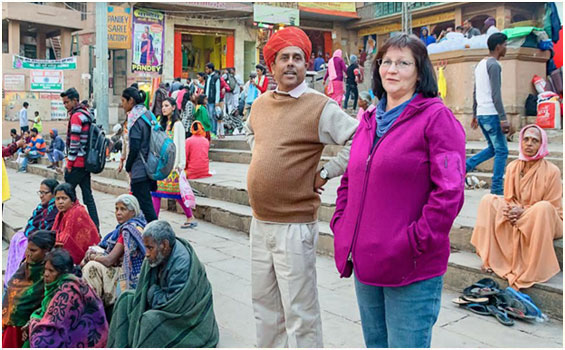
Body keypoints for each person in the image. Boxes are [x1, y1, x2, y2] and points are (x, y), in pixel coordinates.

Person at [331, 33, 465, 348]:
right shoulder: (369, 120)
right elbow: (351, 177)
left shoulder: (436, 118)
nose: (393, 70)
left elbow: (450, 191)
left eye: (403, 63)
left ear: (420, 71)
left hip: (410, 266)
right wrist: (342, 224)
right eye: (386, 62)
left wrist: (413, 242)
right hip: (366, 261)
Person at [245, 27, 359, 348]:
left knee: (300, 312)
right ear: (273, 66)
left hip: (294, 225)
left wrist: (325, 171)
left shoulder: (319, 106)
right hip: (260, 222)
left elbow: (357, 138)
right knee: (264, 307)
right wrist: (267, 163)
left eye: (298, 58)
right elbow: (253, 135)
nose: (291, 64)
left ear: (306, 64)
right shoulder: (260, 104)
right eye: (284, 58)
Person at [471, 125, 562, 289]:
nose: (529, 144)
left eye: (535, 140)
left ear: (542, 144)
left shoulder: (552, 171)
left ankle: (534, 269)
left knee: (543, 207)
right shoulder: (513, 167)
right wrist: (509, 209)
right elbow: (509, 199)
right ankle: (490, 257)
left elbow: (554, 208)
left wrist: (524, 211)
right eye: (526, 139)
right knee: (488, 200)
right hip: (518, 215)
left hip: (543, 218)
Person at [107, 220, 219, 348]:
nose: (146, 253)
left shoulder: (180, 265)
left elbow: (171, 305)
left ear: (164, 245)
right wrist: (152, 291)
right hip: (160, 299)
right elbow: (145, 289)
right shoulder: (159, 254)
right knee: (125, 298)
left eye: (150, 248)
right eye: (146, 247)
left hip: (188, 318)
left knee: (150, 321)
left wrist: (151, 291)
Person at [28, 248, 108, 348]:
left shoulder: (68, 292)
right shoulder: (64, 285)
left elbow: (45, 340)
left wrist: (34, 322)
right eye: (45, 269)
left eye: (51, 271)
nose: (46, 274)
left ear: (63, 272)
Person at [82, 194, 147, 307]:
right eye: (116, 209)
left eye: (123, 209)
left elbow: (109, 260)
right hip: (119, 266)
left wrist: (92, 257)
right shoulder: (123, 228)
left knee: (91, 266)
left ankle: (92, 307)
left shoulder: (129, 230)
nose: (118, 213)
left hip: (128, 275)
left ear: (133, 212)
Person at [466, 33, 510, 195]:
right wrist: (503, 118)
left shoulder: (480, 64)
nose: (506, 48)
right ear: (498, 46)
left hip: (482, 113)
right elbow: (496, 95)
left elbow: (476, 91)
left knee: (493, 148)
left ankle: (465, 166)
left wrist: (475, 114)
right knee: (502, 151)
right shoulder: (494, 65)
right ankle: (497, 188)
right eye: (505, 44)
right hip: (492, 114)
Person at [2, 230, 56, 348]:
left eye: (33, 250)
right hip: (10, 321)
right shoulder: (27, 265)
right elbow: (12, 286)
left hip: (25, 323)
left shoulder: (48, 271)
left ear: (46, 251)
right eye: (28, 249)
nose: (28, 253)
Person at [150, 98, 196, 229]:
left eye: (167, 106)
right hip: (162, 164)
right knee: (156, 193)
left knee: (176, 193)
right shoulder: (162, 124)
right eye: (163, 105)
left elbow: (180, 145)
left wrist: (179, 165)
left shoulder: (178, 124)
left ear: (174, 107)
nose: (164, 108)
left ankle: (190, 216)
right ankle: (154, 220)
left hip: (173, 164)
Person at [4, 179, 59, 287]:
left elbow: (47, 231)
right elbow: (30, 224)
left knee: (27, 244)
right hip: (34, 236)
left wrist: (32, 236)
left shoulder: (54, 211)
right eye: (40, 192)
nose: (41, 196)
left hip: (42, 241)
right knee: (17, 238)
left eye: (45, 193)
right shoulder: (40, 208)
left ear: (53, 194)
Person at [60, 87, 100, 230]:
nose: (65, 105)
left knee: (65, 196)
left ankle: (68, 226)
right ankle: (95, 227)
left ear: (75, 100)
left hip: (76, 163)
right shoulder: (86, 114)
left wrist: (69, 164)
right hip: (86, 163)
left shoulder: (76, 117)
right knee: (88, 197)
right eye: (64, 103)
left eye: (67, 102)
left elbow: (75, 142)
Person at [121, 86, 158, 223]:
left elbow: (135, 146)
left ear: (131, 101)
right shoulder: (147, 114)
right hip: (150, 165)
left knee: (146, 208)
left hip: (139, 169)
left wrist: (128, 166)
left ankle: (157, 235)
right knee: (143, 206)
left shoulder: (135, 119)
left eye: (123, 101)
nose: (122, 104)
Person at [52, 183, 100, 264]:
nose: (60, 202)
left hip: (85, 255)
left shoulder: (77, 212)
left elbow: (67, 240)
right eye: (58, 199)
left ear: (72, 200)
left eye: (64, 198)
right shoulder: (61, 214)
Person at [204, 62, 221, 135]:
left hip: (212, 100)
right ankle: (209, 131)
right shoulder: (208, 77)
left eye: (207, 69)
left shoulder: (216, 78)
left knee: (212, 116)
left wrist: (217, 101)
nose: (206, 70)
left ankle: (213, 131)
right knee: (208, 116)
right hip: (206, 99)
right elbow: (206, 88)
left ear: (211, 69)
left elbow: (217, 90)